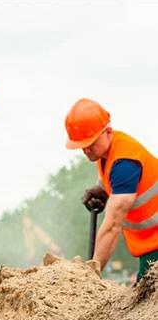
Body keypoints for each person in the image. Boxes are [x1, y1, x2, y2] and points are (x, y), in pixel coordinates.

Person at [64, 98, 158, 281]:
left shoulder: (125, 164)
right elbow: (114, 182)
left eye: (89, 143)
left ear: (107, 131)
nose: (85, 150)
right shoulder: (107, 154)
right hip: (150, 246)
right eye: (82, 145)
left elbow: (112, 226)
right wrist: (102, 189)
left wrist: (91, 274)